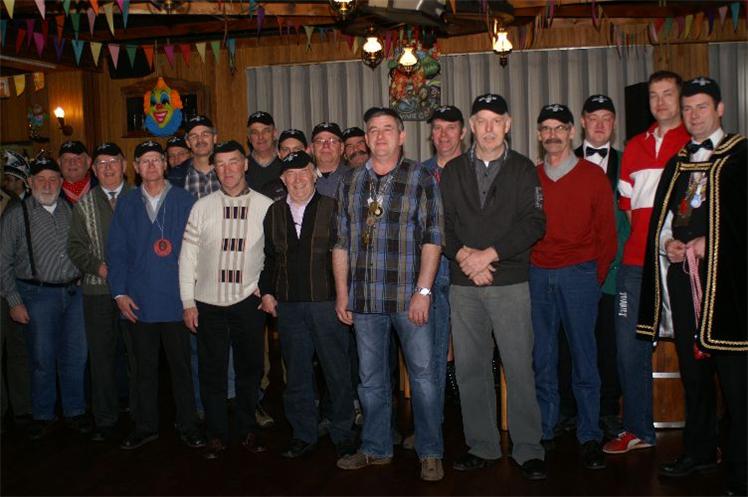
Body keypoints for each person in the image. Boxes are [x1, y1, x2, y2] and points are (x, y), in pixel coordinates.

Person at [637, 76, 747, 497]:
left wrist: (711, 243)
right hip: (684, 281)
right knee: (694, 375)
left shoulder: (741, 155)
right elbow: (666, 219)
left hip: (729, 287)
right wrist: (668, 243)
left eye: (701, 107)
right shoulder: (678, 162)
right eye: (687, 108)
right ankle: (699, 451)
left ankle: (742, 467)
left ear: (720, 109)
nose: (694, 115)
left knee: (736, 383)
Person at [333, 107, 444, 482]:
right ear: (366, 138)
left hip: (409, 298)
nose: (380, 136)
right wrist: (342, 293)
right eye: (373, 130)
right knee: (370, 380)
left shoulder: (420, 177)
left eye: (387, 129)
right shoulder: (350, 182)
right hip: (364, 299)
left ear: (402, 136)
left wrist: (424, 291)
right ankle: (376, 448)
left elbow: (433, 238)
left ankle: (430, 452)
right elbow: (340, 243)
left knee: (424, 378)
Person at [440, 94, 547, 480]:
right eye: (481, 121)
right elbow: (441, 224)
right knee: (470, 369)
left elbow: (534, 223)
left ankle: (528, 448)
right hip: (464, 284)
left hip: (510, 283)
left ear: (508, 124)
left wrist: (488, 255)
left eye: (495, 121)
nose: (488, 128)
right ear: (471, 126)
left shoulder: (523, 169)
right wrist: (465, 258)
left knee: (518, 367)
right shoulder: (452, 171)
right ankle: (482, 445)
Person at [604, 71, 690, 456]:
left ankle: (702, 439)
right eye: (654, 95)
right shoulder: (634, 147)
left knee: (692, 349)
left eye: (667, 94)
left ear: (680, 98)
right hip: (634, 266)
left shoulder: (693, 144)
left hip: (681, 265)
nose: (660, 102)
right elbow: (628, 207)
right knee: (628, 349)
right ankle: (638, 430)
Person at [530, 103, 616, 470]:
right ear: (539, 135)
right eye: (546, 129)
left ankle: (589, 434)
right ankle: (546, 429)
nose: (553, 135)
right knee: (543, 357)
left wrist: (594, 277)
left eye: (559, 128)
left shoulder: (592, 176)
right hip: (538, 273)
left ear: (571, 132)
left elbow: (607, 234)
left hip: (579, 274)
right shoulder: (532, 177)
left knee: (584, 357)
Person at [107, 140, 204, 451]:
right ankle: (145, 426)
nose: (150, 166)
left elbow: (197, 250)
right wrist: (119, 293)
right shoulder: (126, 203)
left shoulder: (185, 200)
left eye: (156, 160)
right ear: (136, 168)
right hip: (139, 301)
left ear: (165, 164)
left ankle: (188, 424)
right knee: (143, 369)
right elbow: (116, 252)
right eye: (144, 161)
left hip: (177, 299)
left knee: (182, 368)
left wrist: (193, 296)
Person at [258, 151, 356, 460]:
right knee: (297, 374)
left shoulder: (333, 208)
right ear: (283, 179)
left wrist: (346, 296)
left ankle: (343, 432)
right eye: (291, 174)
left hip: (327, 304)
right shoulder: (273, 212)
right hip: (288, 307)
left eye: (303, 172)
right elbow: (269, 258)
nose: (298, 179)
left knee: (336, 372)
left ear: (314, 174)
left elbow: (349, 256)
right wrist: (267, 292)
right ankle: (303, 433)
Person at [179, 140, 274, 460]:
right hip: (208, 303)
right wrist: (188, 302)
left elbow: (275, 255)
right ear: (214, 169)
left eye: (233, 162)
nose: (227, 169)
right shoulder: (201, 207)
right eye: (220, 164)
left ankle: (248, 429)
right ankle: (216, 434)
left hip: (248, 302)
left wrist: (266, 286)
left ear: (245, 164)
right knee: (212, 373)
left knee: (249, 371)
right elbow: (187, 259)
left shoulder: (266, 206)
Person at [0, 156, 89, 440]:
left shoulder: (71, 210)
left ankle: (75, 410)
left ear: (61, 182)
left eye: (53, 179)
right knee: (41, 358)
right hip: (37, 295)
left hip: (74, 294)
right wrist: (14, 301)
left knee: (76, 356)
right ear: (30, 182)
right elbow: (3, 261)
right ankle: (43, 413)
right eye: (41, 180)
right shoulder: (17, 215)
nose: (47, 185)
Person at [557, 94, 629, 439]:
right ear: (582, 122)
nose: (600, 125)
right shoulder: (562, 160)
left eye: (607, 118)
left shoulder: (627, 163)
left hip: (613, 272)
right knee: (569, 342)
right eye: (594, 118)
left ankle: (607, 409)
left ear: (614, 124)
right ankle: (569, 409)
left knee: (609, 344)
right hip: (573, 272)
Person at [68, 142, 136, 441]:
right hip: (98, 293)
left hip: (136, 292)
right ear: (94, 170)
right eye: (102, 164)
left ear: (124, 165)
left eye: (113, 161)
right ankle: (105, 419)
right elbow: (75, 247)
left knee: (137, 356)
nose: (108, 168)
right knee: (101, 357)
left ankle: (140, 414)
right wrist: (99, 267)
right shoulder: (83, 205)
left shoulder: (141, 198)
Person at [0, 151, 32, 428]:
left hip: (16, 288)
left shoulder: (21, 206)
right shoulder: (11, 208)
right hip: (9, 288)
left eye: (10, 178)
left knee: (19, 350)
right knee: (17, 350)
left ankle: (21, 406)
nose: (6, 182)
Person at [168, 115, 220, 197]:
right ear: (188, 143)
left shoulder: (229, 171)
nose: (200, 140)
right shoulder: (176, 176)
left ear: (214, 138)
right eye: (194, 136)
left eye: (205, 134)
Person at [246, 111, 282, 192]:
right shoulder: (242, 167)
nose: (260, 137)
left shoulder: (285, 165)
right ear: (249, 138)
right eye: (255, 133)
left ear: (274, 134)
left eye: (266, 131)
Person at [310, 122, 349, 198]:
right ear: (312, 148)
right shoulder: (302, 181)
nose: (326, 145)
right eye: (319, 141)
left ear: (341, 148)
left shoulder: (356, 178)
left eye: (332, 141)